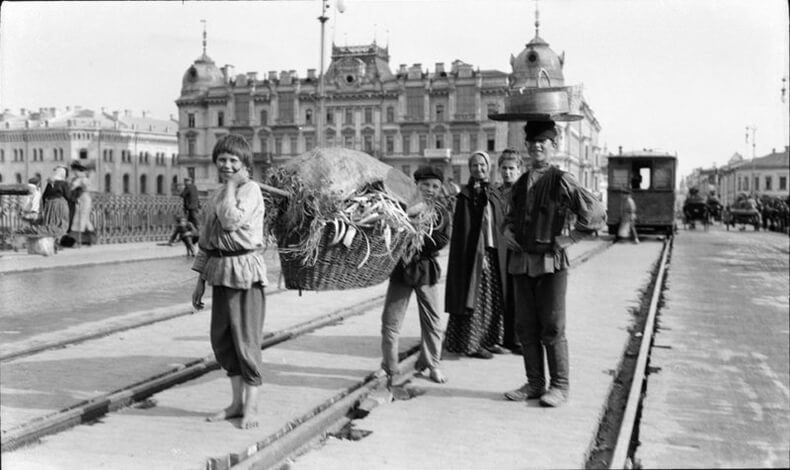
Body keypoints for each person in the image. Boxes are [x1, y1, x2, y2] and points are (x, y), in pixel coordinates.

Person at [502, 120, 605, 407]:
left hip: (551, 264)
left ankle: (560, 386)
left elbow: (596, 213)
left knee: (553, 327)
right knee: (526, 327)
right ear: (526, 147)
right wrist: (507, 231)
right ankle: (535, 384)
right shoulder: (521, 182)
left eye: (543, 142)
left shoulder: (562, 179)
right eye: (532, 142)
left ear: (553, 147)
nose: (537, 146)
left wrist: (571, 237)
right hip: (522, 262)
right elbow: (509, 217)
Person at [191, 134, 268, 429]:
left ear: (244, 164)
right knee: (223, 340)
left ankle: (253, 407)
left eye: (233, 161)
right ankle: (236, 403)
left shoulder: (251, 190)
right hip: (220, 271)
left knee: (246, 341)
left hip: (245, 272)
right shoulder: (216, 194)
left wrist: (233, 186)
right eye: (222, 160)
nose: (226, 165)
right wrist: (199, 281)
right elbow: (207, 241)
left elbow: (231, 220)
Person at [381, 165, 452, 386]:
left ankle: (433, 364)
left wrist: (416, 235)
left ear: (440, 189)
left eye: (435, 186)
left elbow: (442, 240)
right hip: (401, 270)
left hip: (426, 270)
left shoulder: (441, 213)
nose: (430, 190)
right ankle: (390, 367)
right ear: (416, 186)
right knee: (390, 322)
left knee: (432, 321)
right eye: (425, 185)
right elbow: (390, 233)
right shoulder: (401, 207)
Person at [444, 150, 509, 359]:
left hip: (494, 253)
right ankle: (473, 344)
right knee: (476, 300)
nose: (479, 169)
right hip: (474, 256)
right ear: (469, 169)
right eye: (474, 166)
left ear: (488, 167)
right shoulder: (465, 196)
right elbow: (464, 232)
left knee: (494, 300)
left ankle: (491, 340)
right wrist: (476, 256)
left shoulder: (495, 193)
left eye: (482, 165)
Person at [496, 148, 524, 354]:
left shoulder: (525, 193)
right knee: (502, 293)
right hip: (499, 249)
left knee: (520, 295)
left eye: (512, 168)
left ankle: (519, 339)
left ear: (519, 169)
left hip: (519, 249)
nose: (508, 172)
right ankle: (502, 337)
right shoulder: (495, 193)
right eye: (504, 168)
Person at [41, 165, 71, 249]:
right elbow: (68, 196)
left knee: (50, 223)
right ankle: (57, 242)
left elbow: (44, 195)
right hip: (60, 205)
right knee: (62, 223)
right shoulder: (63, 183)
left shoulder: (50, 182)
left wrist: (45, 207)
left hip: (50, 205)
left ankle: (50, 243)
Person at [69, 161, 95, 248]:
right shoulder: (84, 178)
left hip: (83, 199)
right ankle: (90, 240)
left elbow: (72, 187)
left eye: (75, 171)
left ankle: (78, 240)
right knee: (85, 219)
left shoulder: (81, 179)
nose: (74, 173)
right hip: (84, 198)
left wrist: (72, 184)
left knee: (80, 218)